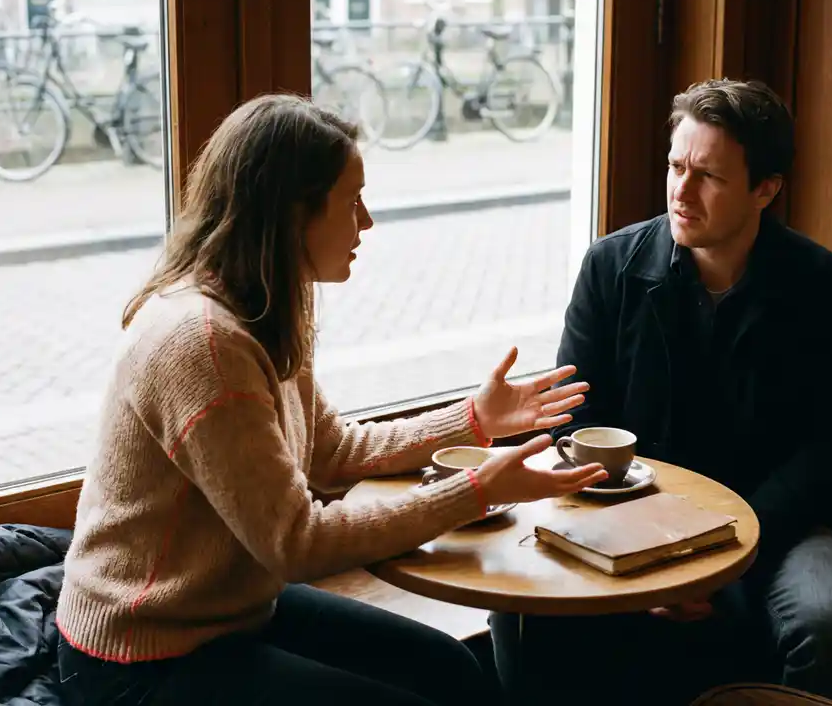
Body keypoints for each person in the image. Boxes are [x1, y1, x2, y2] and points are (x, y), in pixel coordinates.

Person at [55, 93, 608, 706]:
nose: (366, 221)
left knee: (450, 670)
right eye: (351, 201)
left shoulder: (265, 302)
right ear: (293, 216)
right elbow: (298, 542)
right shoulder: (202, 344)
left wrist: (473, 420)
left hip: (228, 613)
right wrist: (473, 492)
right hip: (140, 656)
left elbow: (329, 450)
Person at [489, 79, 832, 706]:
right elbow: (576, 421)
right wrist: (655, 547)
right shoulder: (610, 267)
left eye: (709, 177)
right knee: (518, 606)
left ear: (766, 189)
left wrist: (722, 553)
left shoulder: (822, 285)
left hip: (773, 520)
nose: (681, 191)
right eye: (675, 166)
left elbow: (830, 448)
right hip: (628, 508)